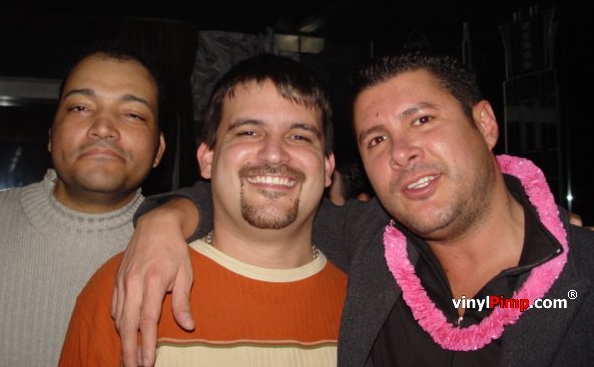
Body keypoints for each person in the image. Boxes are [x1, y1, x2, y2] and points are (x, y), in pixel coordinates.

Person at [113, 51, 594, 367]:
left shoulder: (580, 279)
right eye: (377, 139)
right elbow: (268, 195)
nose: (402, 153)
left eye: (423, 120)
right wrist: (166, 218)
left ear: (485, 123)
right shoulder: (370, 243)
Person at [59, 54, 347, 365]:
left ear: (328, 167)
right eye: (249, 132)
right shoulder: (126, 291)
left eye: (299, 137)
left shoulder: (370, 307)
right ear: (207, 158)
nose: (274, 154)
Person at [0, 43, 166, 366]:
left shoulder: (181, 247)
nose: (103, 128)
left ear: (158, 151)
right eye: (80, 107)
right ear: (52, 136)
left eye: (133, 114)